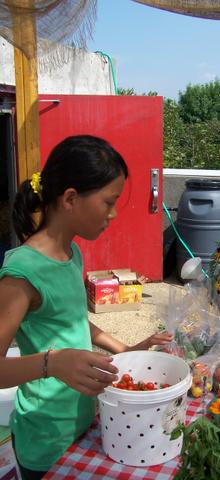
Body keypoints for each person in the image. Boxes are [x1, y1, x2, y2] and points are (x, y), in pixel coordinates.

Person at [0, 135, 172, 480]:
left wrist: (125, 350)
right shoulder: (22, 272)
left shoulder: (71, 253)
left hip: (84, 422)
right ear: (70, 199)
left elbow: (72, 321)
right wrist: (52, 363)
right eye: (109, 202)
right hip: (45, 442)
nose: (112, 214)